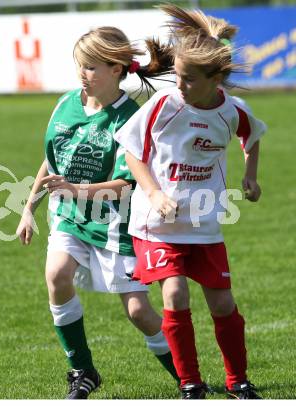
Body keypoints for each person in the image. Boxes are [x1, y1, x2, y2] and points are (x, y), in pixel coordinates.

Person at [16, 26, 179, 399]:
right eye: (80, 66)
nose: (82, 75)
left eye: (91, 68)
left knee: (139, 311)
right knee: (56, 275)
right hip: (71, 214)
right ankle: (82, 370)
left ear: (117, 69)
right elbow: (52, 159)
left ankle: (188, 376)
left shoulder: (129, 118)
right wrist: (28, 208)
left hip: (116, 223)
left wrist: (75, 188)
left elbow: (126, 185)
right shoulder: (66, 103)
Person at [114, 4, 266, 400]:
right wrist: (154, 193)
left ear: (216, 79)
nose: (178, 85)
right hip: (156, 223)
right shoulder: (165, 106)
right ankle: (191, 383)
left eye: (188, 79)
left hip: (204, 225)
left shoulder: (232, 111)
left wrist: (251, 176)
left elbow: (251, 138)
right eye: (177, 77)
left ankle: (239, 382)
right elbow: (133, 150)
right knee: (175, 293)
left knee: (223, 303)